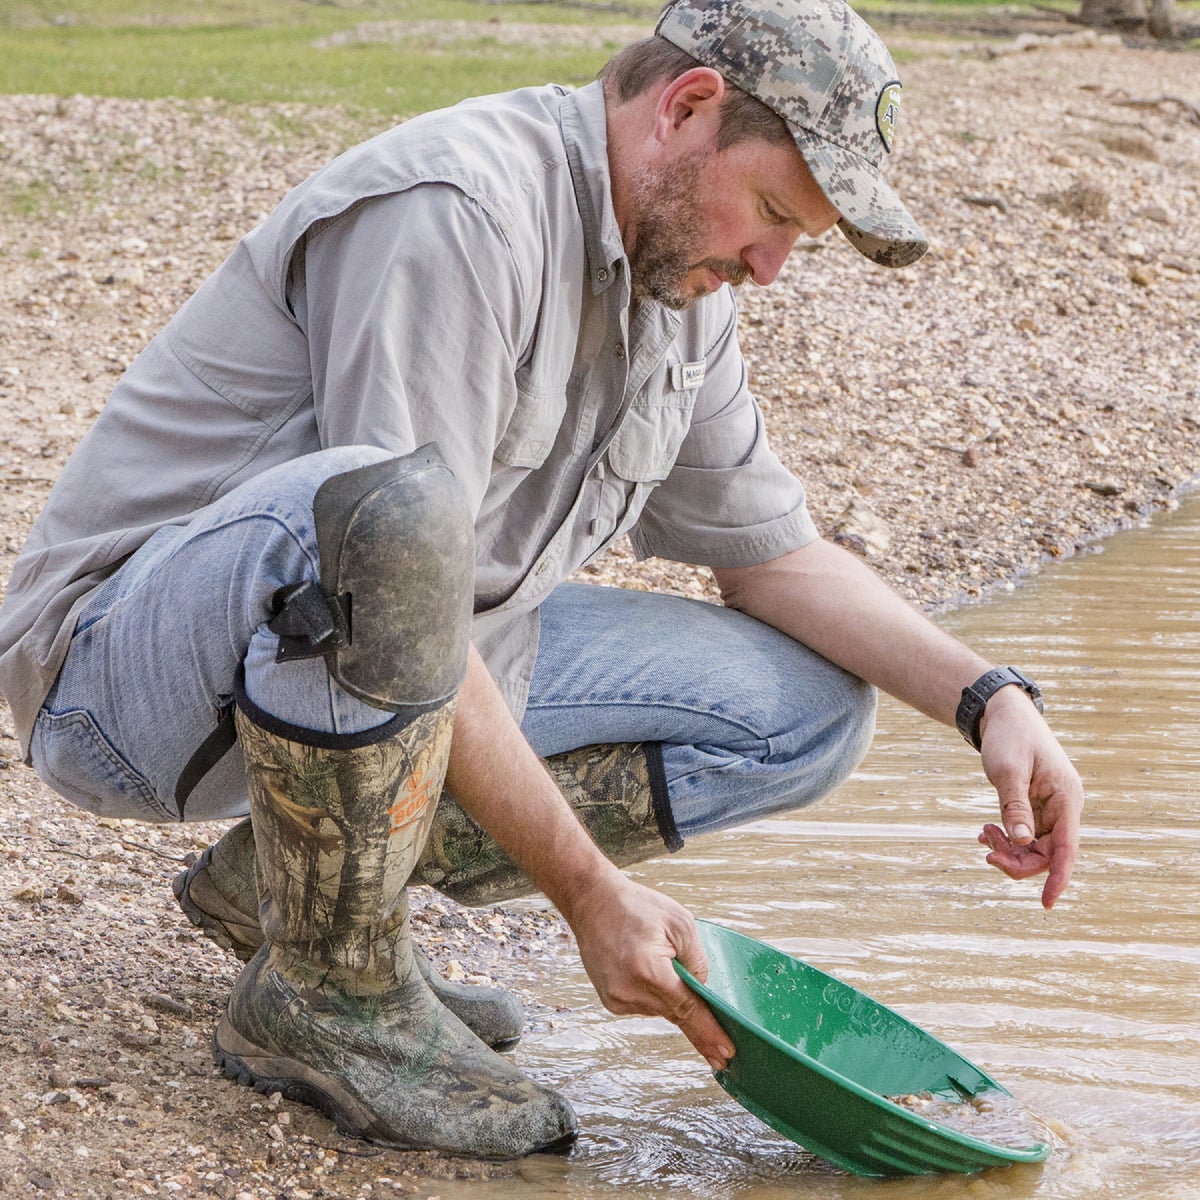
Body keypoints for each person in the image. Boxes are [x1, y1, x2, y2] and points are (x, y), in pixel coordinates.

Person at [0, 0, 1083, 1161]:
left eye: (796, 239)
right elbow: (383, 564)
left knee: (810, 712)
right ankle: (328, 995)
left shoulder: (681, 288)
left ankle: (302, 896)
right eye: (771, 212)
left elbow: (775, 559)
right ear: (685, 108)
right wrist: (589, 894)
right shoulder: (459, 213)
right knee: (397, 513)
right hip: (125, 684)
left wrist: (991, 700)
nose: (770, 266)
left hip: (371, 665)